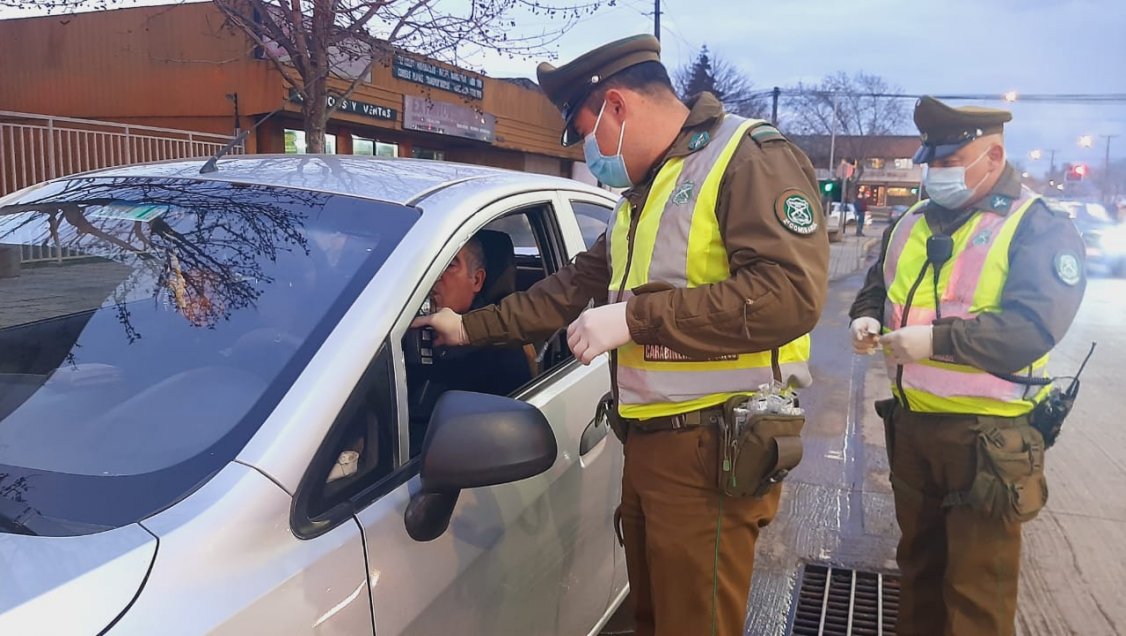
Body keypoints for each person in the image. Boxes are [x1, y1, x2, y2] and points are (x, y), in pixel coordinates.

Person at [415, 34, 828, 636]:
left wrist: (635, 318)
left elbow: (791, 296)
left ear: (616, 106)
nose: (589, 151)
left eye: (585, 131)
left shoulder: (748, 158)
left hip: (713, 451)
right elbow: (567, 289)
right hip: (651, 447)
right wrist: (467, 327)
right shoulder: (640, 196)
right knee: (654, 620)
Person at [848, 96, 1086, 636]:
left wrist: (936, 341)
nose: (936, 175)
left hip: (988, 440)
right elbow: (876, 289)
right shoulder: (909, 221)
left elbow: (1032, 328)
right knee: (918, 574)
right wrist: (864, 319)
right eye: (932, 163)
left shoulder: (1037, 226)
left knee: (976, 594)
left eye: (949, 164)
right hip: (912, 428)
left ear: (993, 156)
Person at [425, 236, 531, 397]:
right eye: (428, 266)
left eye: (448, 265)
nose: (434, 276)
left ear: (476, 280)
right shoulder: (397, 325)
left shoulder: (500, 351)